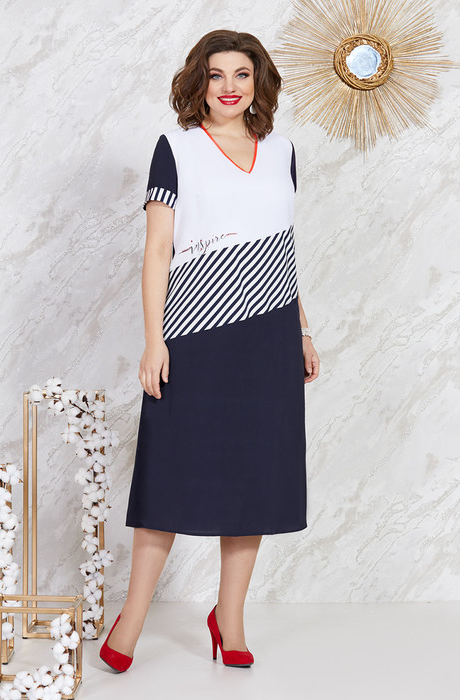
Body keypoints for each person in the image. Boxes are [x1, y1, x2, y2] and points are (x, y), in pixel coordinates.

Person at [100, 29, 320, 673]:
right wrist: (154, 341)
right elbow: (157, 252)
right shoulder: (176, 149)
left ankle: (230, 619)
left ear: (258, 83)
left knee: (256, 478)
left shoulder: (281, 151)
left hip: (268, 336)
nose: (229, 87)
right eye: (217, 74)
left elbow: (281, 244)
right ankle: (132, 619)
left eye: (242, 75)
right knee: (169, 474)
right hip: (194, 336)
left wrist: (302, 329)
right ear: (199, 81)